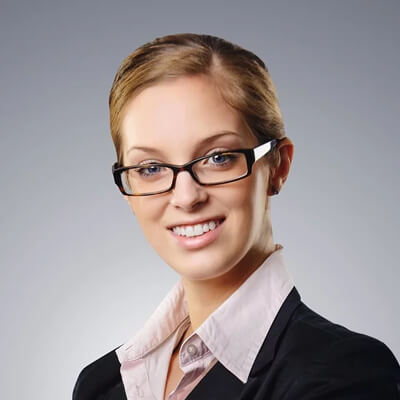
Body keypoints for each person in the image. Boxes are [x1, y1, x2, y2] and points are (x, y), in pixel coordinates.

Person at [73, 33, 400, 400]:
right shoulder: (100, 385)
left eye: (218, 158)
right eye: (151, 167)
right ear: (126, 190)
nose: (186, 196)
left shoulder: (345, 375)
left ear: (277, 166)